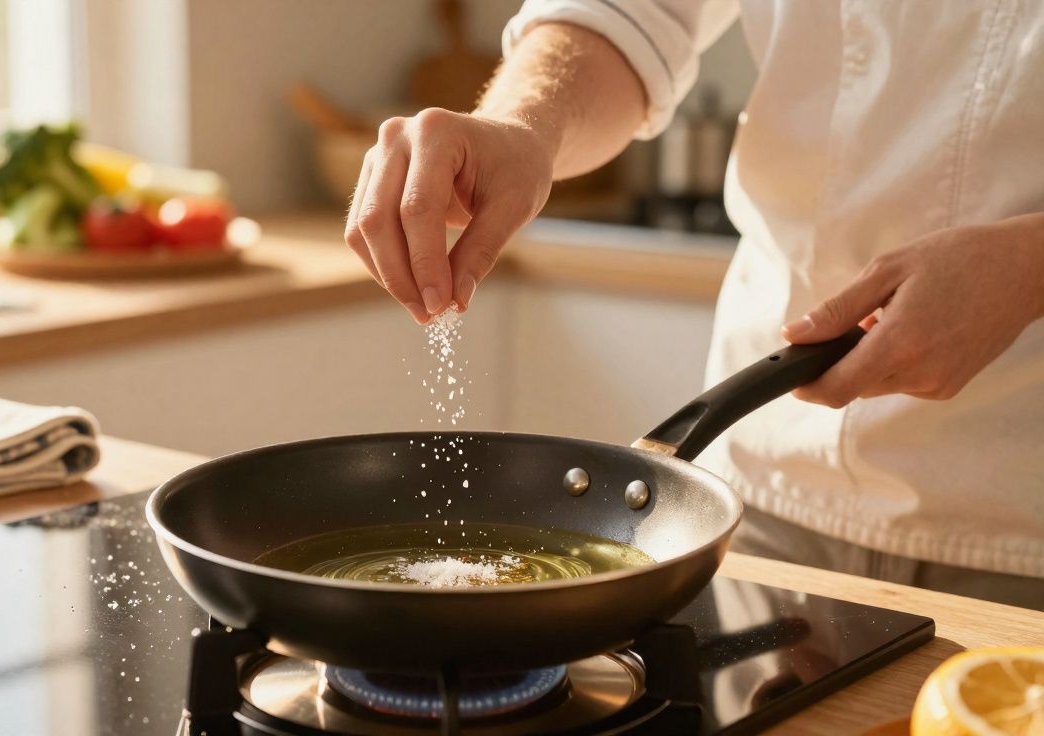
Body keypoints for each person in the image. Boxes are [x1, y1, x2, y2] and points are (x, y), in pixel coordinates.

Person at [343, 0, 1044, 609]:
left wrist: (1027, 265)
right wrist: (524, 126)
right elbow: (624, 16)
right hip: (759, 494)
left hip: (1018, 516)